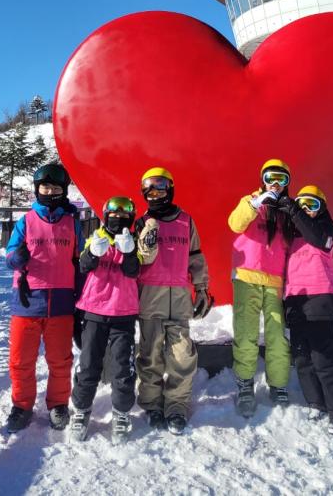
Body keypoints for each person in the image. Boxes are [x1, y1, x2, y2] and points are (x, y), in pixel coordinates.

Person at [70, 196, 159, 443]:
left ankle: (121, 413)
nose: (118, 217)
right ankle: (81, 409)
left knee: (123, 367)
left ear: (130, 218)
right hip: (94, 311)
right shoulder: (95, 237)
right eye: (113, 213)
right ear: (105, 215)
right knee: (88, 364)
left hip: (123, 313)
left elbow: (133, 270)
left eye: (124, 213)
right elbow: (83, 266)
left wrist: (128, 251)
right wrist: (92, 252)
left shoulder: (133, 241)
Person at [4, 163, 83, 433]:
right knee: (20, 359)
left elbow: (80, 260)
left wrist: (82, 300)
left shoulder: (72, 223)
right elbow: (9, 256)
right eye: (45, 187)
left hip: (61, 302)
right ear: (37, 189)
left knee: (60, 359)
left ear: (64, 191)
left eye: (56, 188)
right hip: (27, 301)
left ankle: (58, 403)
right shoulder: (25, 221)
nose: (50, 191)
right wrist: (17, 258)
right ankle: (22, 405)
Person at [134, 166, 212, 435]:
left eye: (160, 187)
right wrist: (146, 238)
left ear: (170, 189)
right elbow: (137, 260)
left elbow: (196, 256)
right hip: (150, 299)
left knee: (182, 355)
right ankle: (152, 403)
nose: (155, 193)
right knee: (150, 355)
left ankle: (176, 405)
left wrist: (201, 289)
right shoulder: (142, 222)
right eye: (149, 188)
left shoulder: (185, 221)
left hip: (178, 300)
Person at [283, 185, 333, 436]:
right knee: (302, 357)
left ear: (322, 208)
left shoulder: (325, 230)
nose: (306, 211)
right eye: (302, 206)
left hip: (322, 300)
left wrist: (294, 210)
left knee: (324, 358)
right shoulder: (292, 235)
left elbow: (315, 237)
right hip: (295, 300)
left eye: (312, 206)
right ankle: (316, 402)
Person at [228, 158, 294, 417]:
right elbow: (235, 223)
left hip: (276, 281)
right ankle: (245, 384)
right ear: (262, 180)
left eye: (282, 179)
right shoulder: (251, 202)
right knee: (246, 333)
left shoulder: (287, 210)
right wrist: (255, 203)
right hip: (247, 278)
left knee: (278, 336)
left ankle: (278, 384)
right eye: (270, 179)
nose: (276, 185)